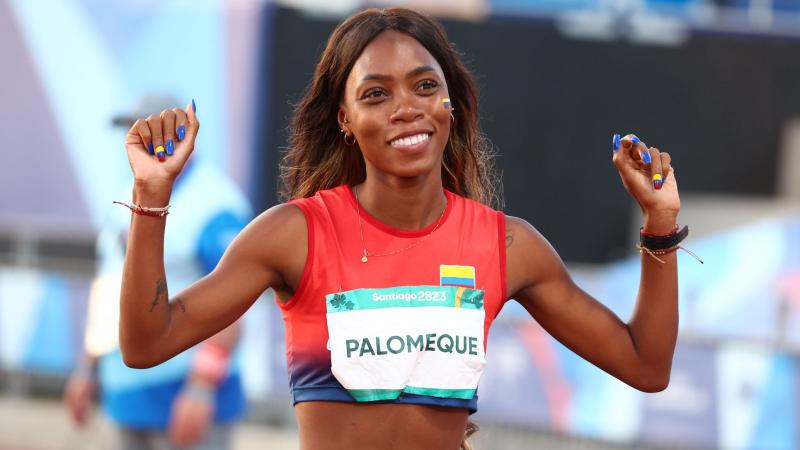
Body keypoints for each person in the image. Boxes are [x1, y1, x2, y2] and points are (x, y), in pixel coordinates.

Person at [117, 8, 684, 450]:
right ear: (345, 119)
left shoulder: (507, 245)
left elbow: (645, 365)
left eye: (425, 86)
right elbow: (146, 343)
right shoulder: (295, 235)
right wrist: (150, 194)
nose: (406, 107)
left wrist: (660, 224)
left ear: (450, 105)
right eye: (375, 94)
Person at [64, 95, 250, 449]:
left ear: (180, 132)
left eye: (148, 130)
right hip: (127, 392)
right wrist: (87, 365)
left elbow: (235, 300)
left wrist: (201, 385)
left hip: (183, 395)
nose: (135, 140)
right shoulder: (129, 191)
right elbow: (110, 281)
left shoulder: (215, 204)